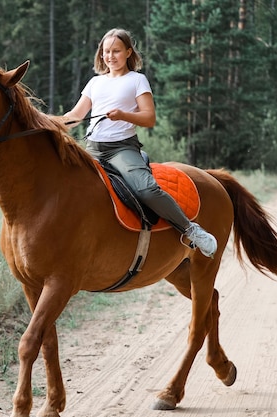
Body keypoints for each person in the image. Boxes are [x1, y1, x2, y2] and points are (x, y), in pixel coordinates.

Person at [63, 28, 217, 258]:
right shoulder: (95, 83)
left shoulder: (136, 80)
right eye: (106, 51)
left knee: (146, 189)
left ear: (128, 52)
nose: (110, 56)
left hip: (122, 149)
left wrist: (124, 115)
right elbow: (74, 116)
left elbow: (149, 117)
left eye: (116, 51)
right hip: (93, 149)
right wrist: (46, 122)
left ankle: (190, 229)